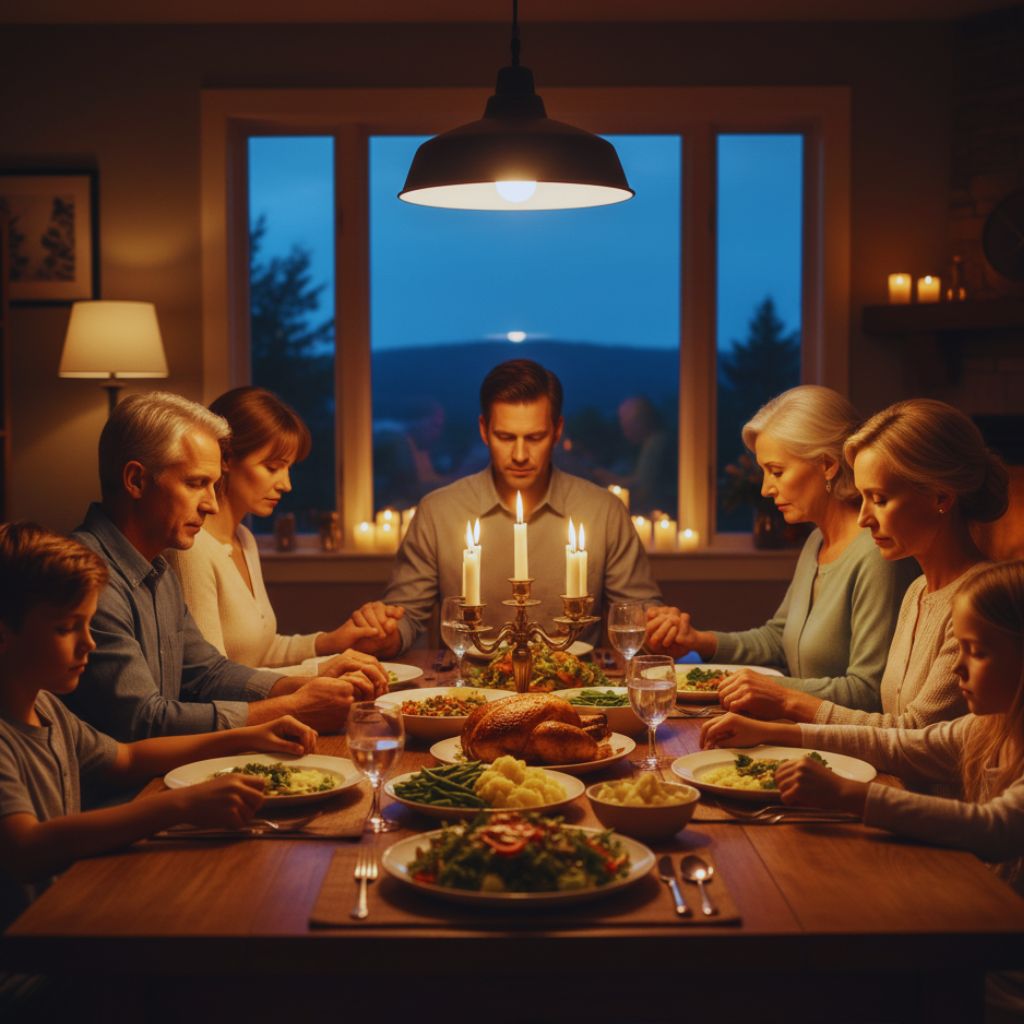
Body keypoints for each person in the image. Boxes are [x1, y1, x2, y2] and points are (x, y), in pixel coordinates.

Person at [699, 560, 1024, 1019]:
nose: (959, 671)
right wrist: (780, 733)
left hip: (1001, 972)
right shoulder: (990, 725)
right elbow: (900, 744)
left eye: (978, 652)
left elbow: (994, 827)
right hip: (976, 931)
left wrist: (849, 796)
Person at [0, 522, 319, 928]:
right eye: (66, 628)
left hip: (64, 921)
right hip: (25, 965)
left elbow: (128, 756)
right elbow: (26, 848)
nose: (89, 643)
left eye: (88, 623)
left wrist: (247, 736)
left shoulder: (45, 707)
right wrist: (177, 805)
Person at [66, 391, 380, 742]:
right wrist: (292, 706)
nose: (212, 505)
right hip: (123, 792)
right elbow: (142, 720)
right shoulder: (88, 578)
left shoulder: (156, 567)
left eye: (213, 485)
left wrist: (303, 685)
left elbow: (207, 673)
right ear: (136, 481)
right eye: (196, 483)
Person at [698, 398, 1009, 728]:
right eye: (863, 498)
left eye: (880, 499)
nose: (863, 518)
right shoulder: (918, 591)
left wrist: (786, 708)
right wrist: (700, 642)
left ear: (941, 499)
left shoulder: (978, 603)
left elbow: (916, 735)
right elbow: (899, 725)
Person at [346, 359, 662, 655]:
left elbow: (637, 619)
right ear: (484, 430)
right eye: (505, 437)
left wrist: (662, 628)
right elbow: (407, 619)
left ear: (557, 430)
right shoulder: (439, 512)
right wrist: (382, 630)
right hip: (467, 694)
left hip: (573, 694)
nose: (521, 454)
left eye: (535, 437)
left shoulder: (603, 511)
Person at [646, 385, 919, 711]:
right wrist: (699, 641)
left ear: (828, 464)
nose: (765, 488)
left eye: (776, 471)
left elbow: (868, 692)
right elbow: (778, 639)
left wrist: (767, 688)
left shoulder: (877, 555)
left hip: (843, 752)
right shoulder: (817, 540)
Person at [165, 386, 401, 672]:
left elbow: (261, 651)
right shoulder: (192, 548)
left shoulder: (244, 539)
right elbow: (213, 678)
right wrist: (321, 671)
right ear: (226, 458)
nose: (286, 485)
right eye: (272, 467)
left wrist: (333, 641)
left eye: (288, 468)